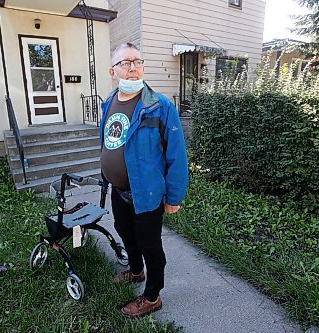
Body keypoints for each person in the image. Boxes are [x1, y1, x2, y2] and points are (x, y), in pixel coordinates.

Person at [99, 42, 188, 318]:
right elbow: (109, 140)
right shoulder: (109, 102)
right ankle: (136, 271)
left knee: (151, 245)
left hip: (146, 193)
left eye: (137, 61)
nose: (133, 67)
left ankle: (152, 297)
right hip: (119, 190)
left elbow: (177, 156)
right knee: (124, 231)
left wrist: (174, 197)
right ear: (112, 71)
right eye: (125, 63)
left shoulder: (159, 107)